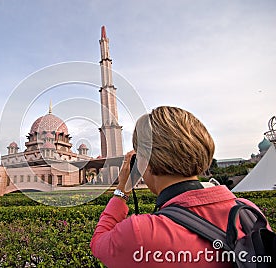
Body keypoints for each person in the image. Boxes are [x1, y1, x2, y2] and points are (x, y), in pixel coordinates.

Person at [90, 106, 270, 267]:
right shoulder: (248, 212)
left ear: (143, 161)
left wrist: (122, 190)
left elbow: (98, 242)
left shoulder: (142, 233)